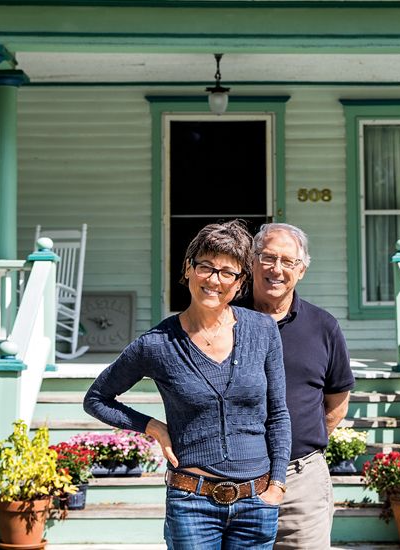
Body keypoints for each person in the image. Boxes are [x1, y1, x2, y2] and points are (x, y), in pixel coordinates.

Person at [83, 220, 291, 550]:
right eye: (206, 267)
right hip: (192, 504)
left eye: (227, 272)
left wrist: (277, 485)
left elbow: (278, 415)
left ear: (239, 283)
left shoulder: (263, 330)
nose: (214, 279)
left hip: (256, 503)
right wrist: (153, 427)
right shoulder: (157, 344)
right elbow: (97, 398)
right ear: (188, 270)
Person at [242, 223, 355, 550]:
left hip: (300, 481)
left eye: (287, 261)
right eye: (267, 258)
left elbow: (337, 403)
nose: (276, 269)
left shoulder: (323, 327)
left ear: (301, 270)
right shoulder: (227, 319)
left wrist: (299, 444)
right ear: (252, 262)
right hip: (234, 479)